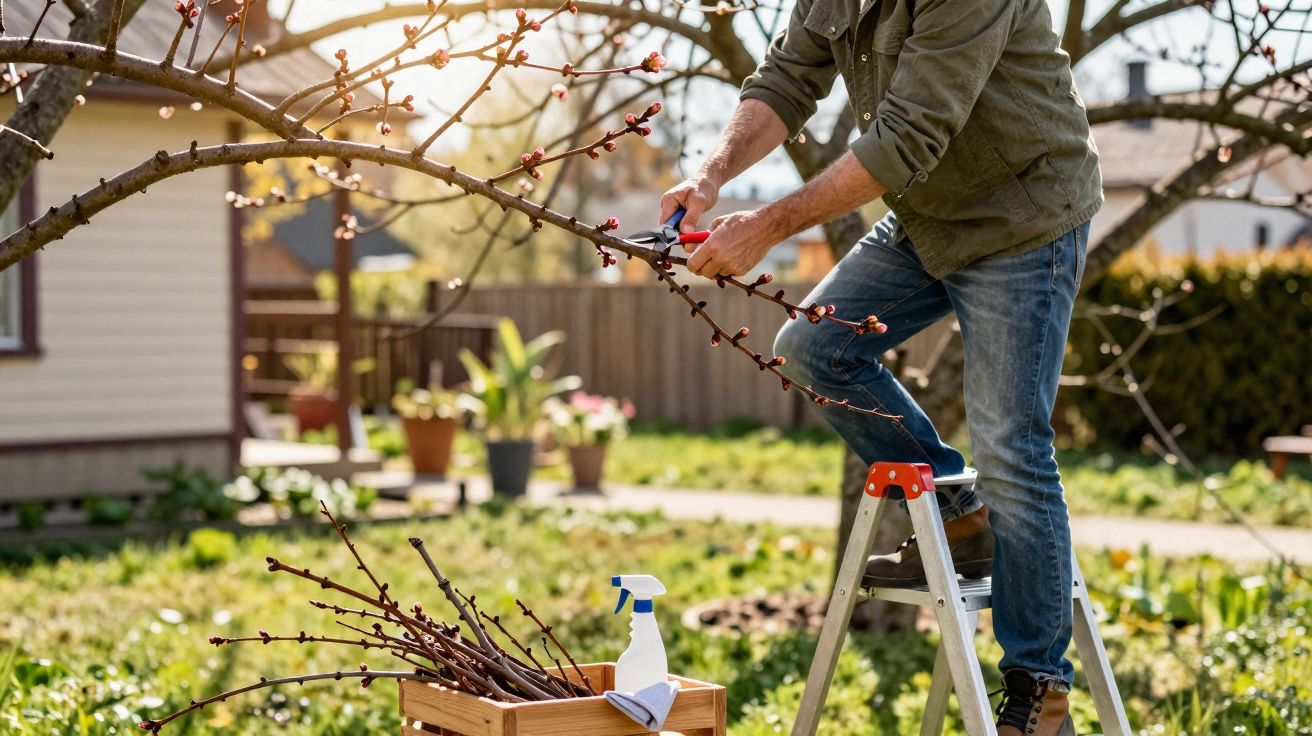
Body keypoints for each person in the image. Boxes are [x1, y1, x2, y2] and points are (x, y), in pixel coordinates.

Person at [659, 0, 1102, 731]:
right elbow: (785, 80)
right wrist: (709, 177)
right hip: (929, 212)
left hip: (1021, 214)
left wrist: (768, 224)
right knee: (814, 348)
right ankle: (965, 520)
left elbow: (907, 136)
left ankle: (1038, 687)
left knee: (1009, 446)